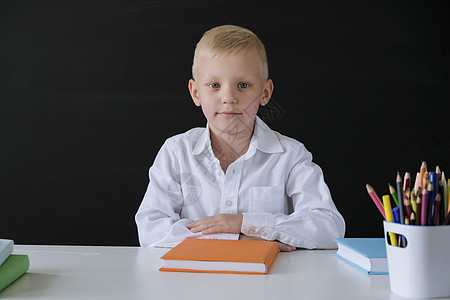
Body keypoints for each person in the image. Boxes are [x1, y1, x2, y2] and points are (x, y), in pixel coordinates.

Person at [135, 25, 345, 251]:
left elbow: (329, 228)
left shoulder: (290, 156)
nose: (228, 97)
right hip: (194, 283)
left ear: (265, 92)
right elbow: (151, 229)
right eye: (214, 85)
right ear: (196, 92)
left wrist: (242, 223)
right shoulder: (176, 152)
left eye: (243, 85)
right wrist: (238, 239)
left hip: (271, 282)